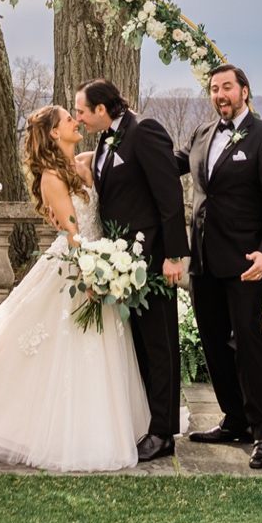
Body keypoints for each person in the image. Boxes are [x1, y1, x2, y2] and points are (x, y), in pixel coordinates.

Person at [0, 104, 156, 470]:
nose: (77, 122)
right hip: (77, 268)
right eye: (69, 119)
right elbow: (73, 234)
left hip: (102, 260)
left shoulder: (87, 162)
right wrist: (92, 276)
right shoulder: (51, 177)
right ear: (55, 133)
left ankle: (111, 425)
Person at [174, 62, 262, 468]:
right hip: (203, 259)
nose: (220, 95)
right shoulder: (202, 133)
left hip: (246, 261)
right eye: (214, 88)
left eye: (227, 87)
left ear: (244, 91)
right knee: (212, 341)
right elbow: (168, 164)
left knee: (247, 342)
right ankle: (235, 417)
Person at [76, 77, 189, 462]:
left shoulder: (145, 130)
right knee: (140, 343)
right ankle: (149, 422)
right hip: (122, 260)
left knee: (160, 344)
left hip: (153, 256)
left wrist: (174, 254)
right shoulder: (105, 140)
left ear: (101, 109)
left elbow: (169, 193)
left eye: (81, 112)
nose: (79, 118)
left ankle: (163, 432)